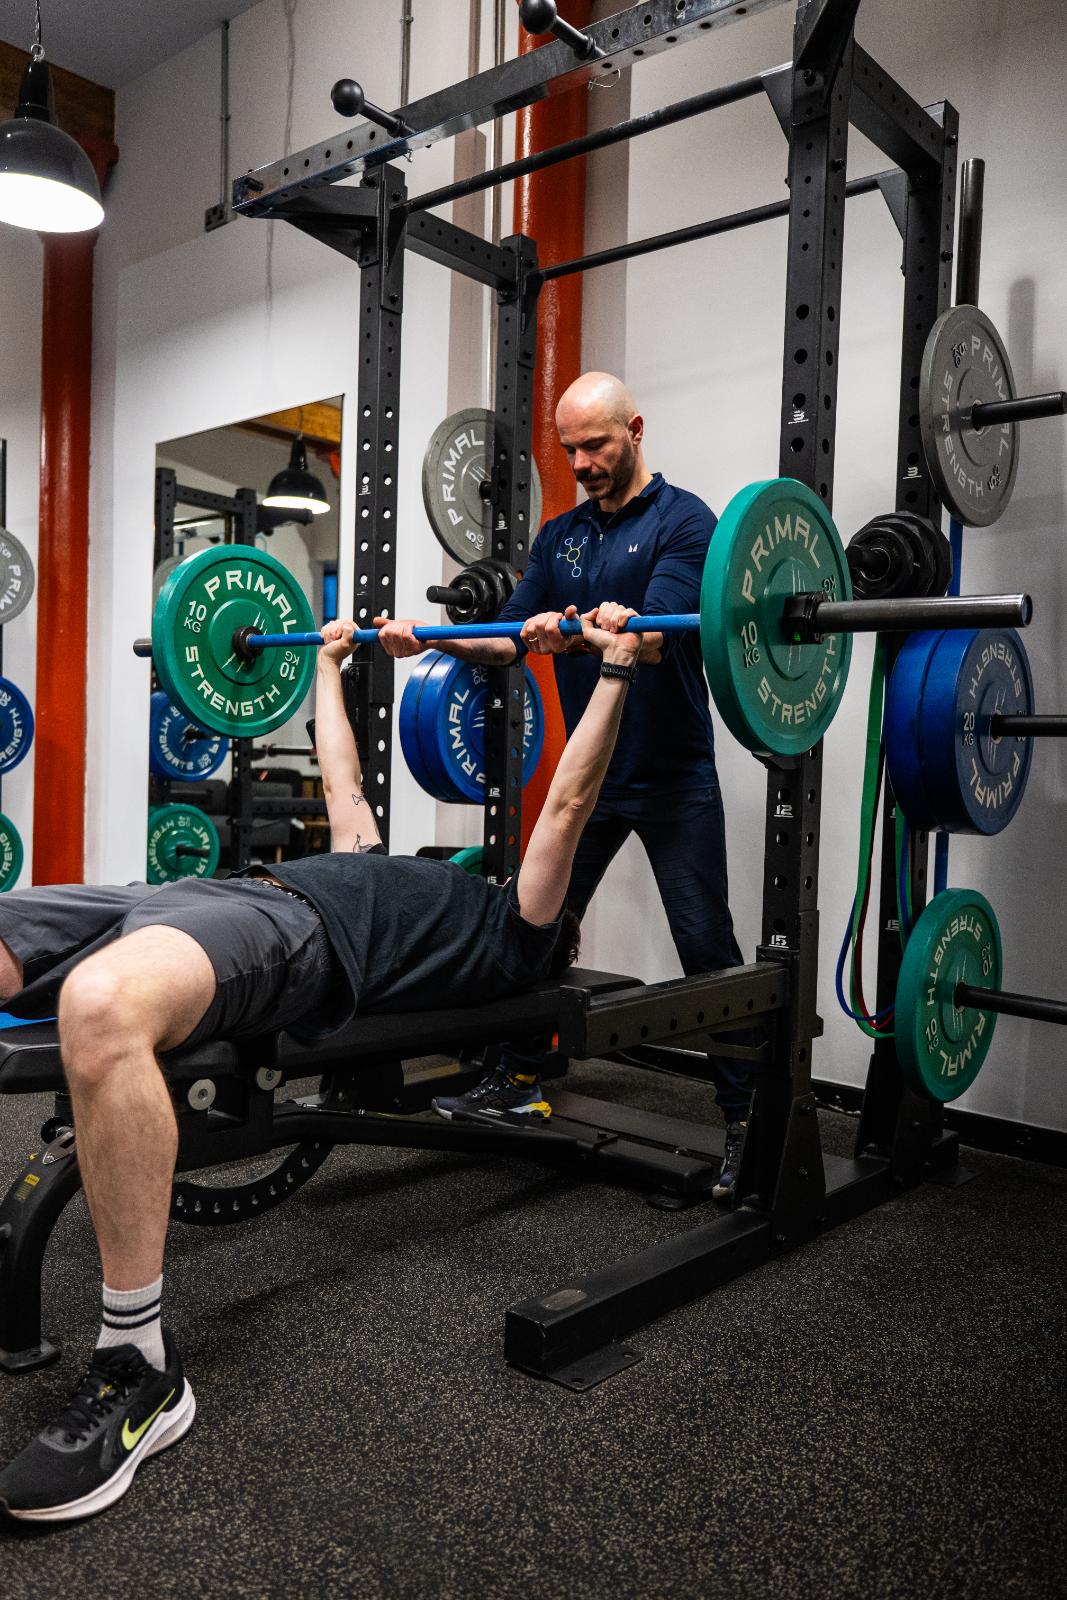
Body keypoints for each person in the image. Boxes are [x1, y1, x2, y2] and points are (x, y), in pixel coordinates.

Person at [0, 608, 638, 1524]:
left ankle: (138, 1362)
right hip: (200, 893)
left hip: (286, 933)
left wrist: (614, 672)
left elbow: (567, 808)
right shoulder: (385, 870)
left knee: (101, 1009)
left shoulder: (515, 936)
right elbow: (343, 784)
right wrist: (332, 666)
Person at [377, 371, 754, 1192]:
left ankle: (746, 1121)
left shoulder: (686, 522)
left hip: (673, 778)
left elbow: (650, 641)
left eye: (596, 445)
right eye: (570, 449)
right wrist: (431, 640)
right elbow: (507, 639)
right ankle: (517, 1080)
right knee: (532, 925)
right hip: (593, 776)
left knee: (706, 952)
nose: (581, 463)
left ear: (635, 430)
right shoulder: (560, 536)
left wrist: (580, 632)